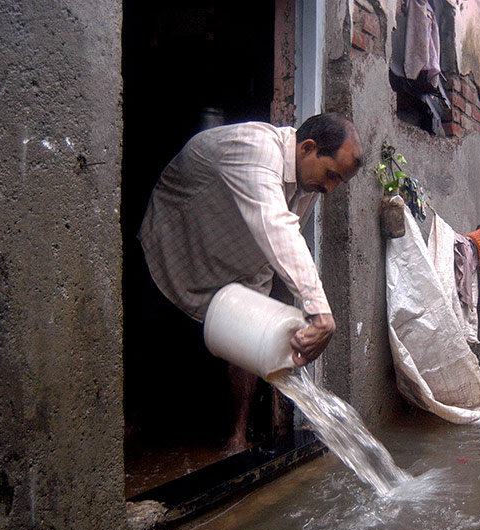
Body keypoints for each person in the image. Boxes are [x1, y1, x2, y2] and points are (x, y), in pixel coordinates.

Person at [138, 113, 363, 452]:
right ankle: (135, 426)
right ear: (307, 148)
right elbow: (276, 225)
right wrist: (320, 311)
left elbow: (284, 235)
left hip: (241, 260)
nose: (329, 188)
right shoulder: (257, 149)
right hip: (178, 247)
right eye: (331, 174)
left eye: (338, 182)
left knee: (249, 346)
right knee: (151, 342)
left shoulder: (308, 182)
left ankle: (237, 437)